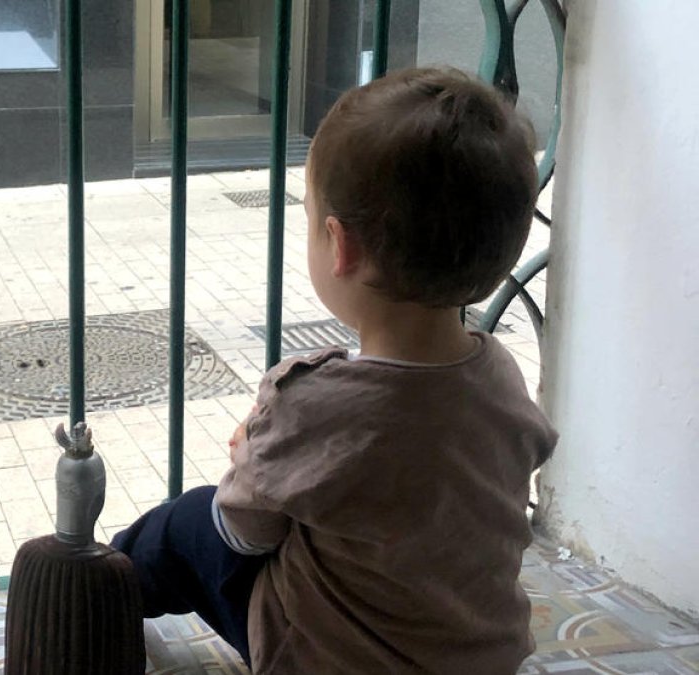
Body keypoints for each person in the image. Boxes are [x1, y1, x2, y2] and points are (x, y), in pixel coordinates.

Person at [112, 67, 559, 674]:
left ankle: (101, 585)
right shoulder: (499, 376)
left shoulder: (314, 402)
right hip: (476, 656)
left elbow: (241, 532)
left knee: (189, 521)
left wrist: (257, 459)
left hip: (328, 659)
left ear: (338, 245)